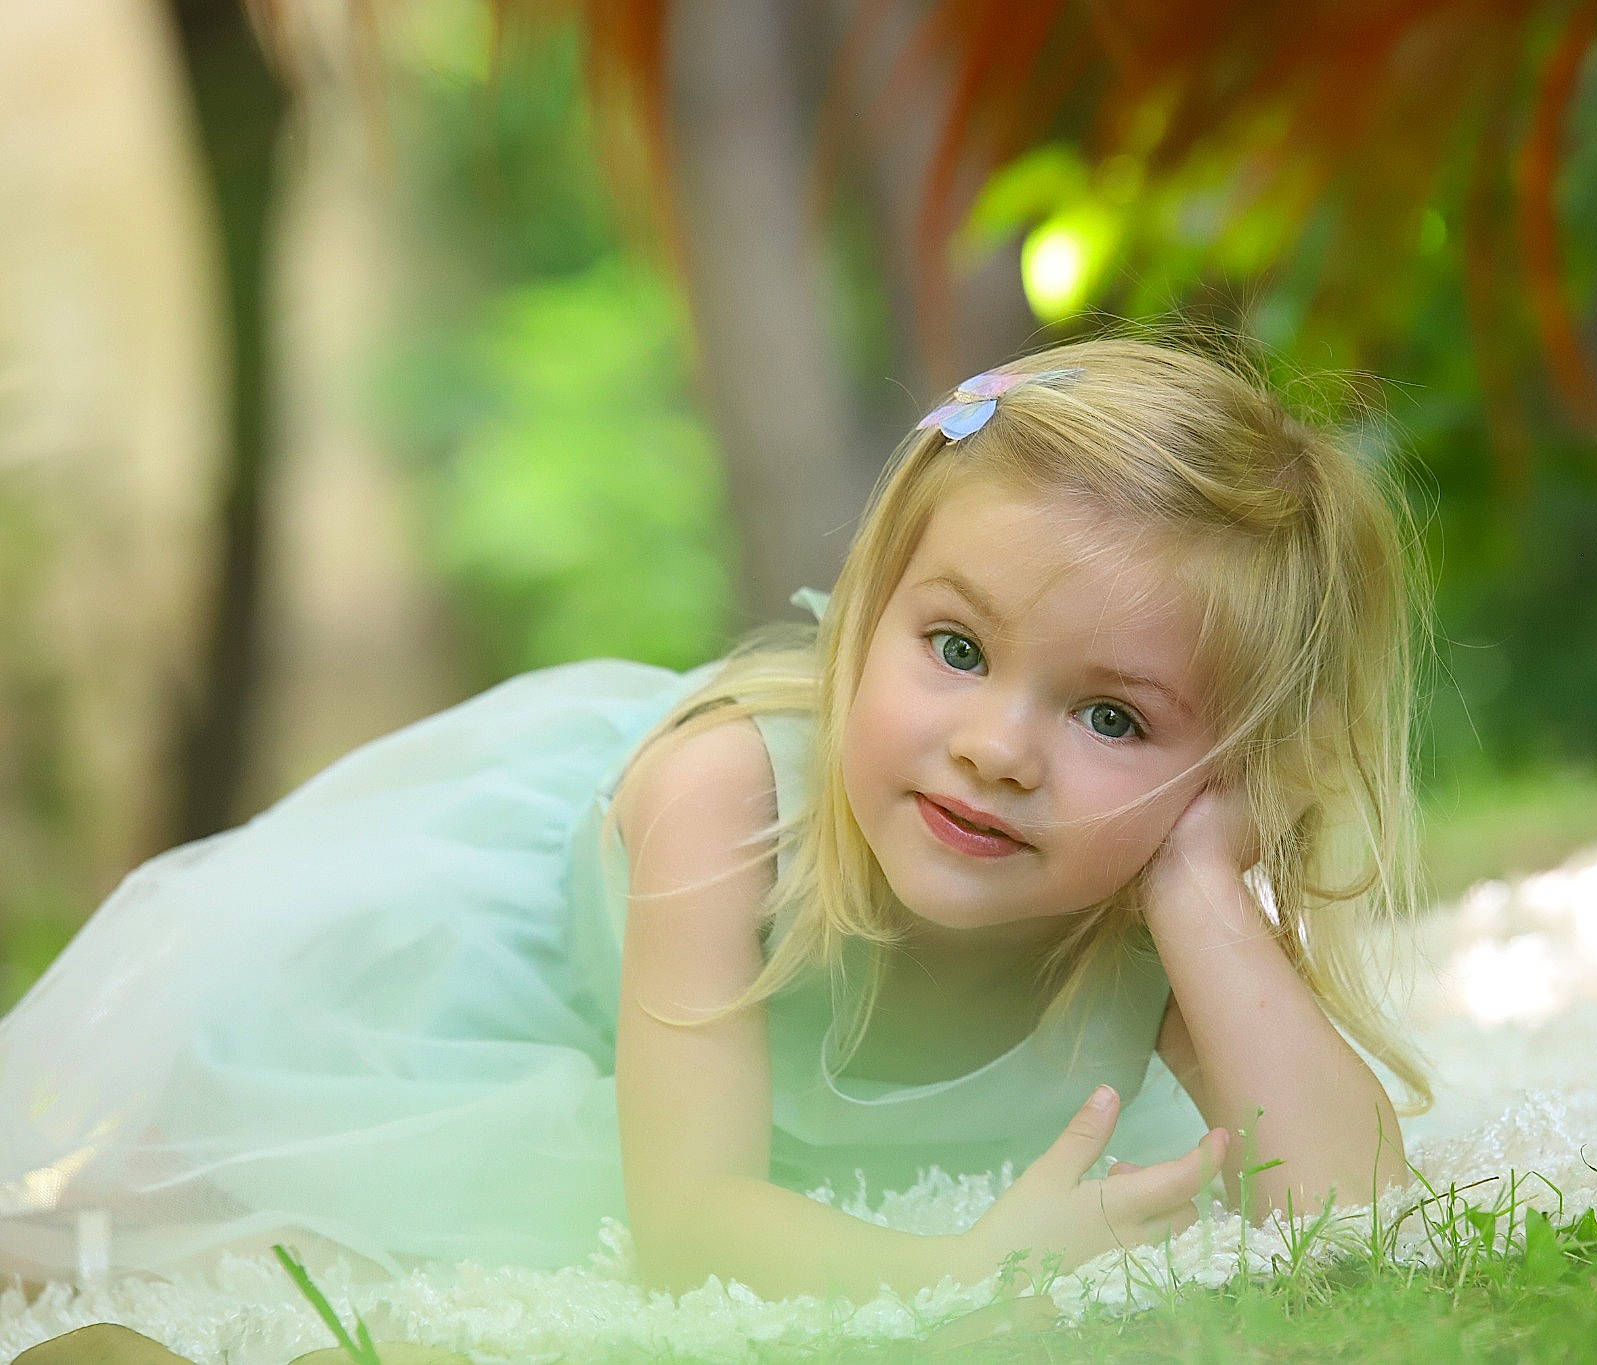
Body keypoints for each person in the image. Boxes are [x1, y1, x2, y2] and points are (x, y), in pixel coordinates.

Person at [0, 336, 1431, 1304]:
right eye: (954, 647)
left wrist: (1191, 878)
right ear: (870, 609)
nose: (998, 749)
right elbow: (690, 1232)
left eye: (1114, 718)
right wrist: (970, 1260)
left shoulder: (1141, 877)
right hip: (527, 989)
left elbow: (1359, 1204)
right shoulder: (727, 796)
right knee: (167, 1201)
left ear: (1231, 768)